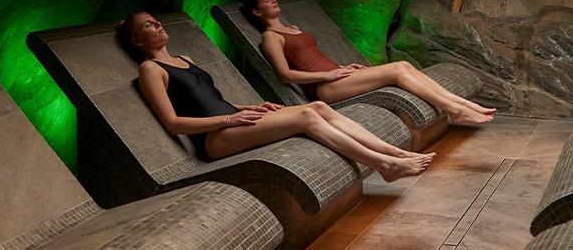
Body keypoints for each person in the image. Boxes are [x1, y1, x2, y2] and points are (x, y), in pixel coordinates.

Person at [116, 11, 434, 182]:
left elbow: (205, 99)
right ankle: (383, 164)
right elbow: (174, 123)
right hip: (214, 138)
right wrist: (230, 118)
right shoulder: (149, 69)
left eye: (156, 20)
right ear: (137, 40)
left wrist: (249, 107)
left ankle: (395, 154)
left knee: (319, 106)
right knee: (308, 115)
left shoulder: (185, 59)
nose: (157, 24)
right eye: (148, 25)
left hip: (234, 122)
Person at [241, 0, 496, 125]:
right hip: (325, 88)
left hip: (337, 75)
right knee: (397, 70)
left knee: (405, 65)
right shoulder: (271, 37)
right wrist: (328, 74)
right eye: (266, 0)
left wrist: (341, 67)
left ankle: (463, 106)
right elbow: (285, 75)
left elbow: (312, 57)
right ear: (257, 11)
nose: (272, 0)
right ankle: (455, 110)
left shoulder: (293, 28)